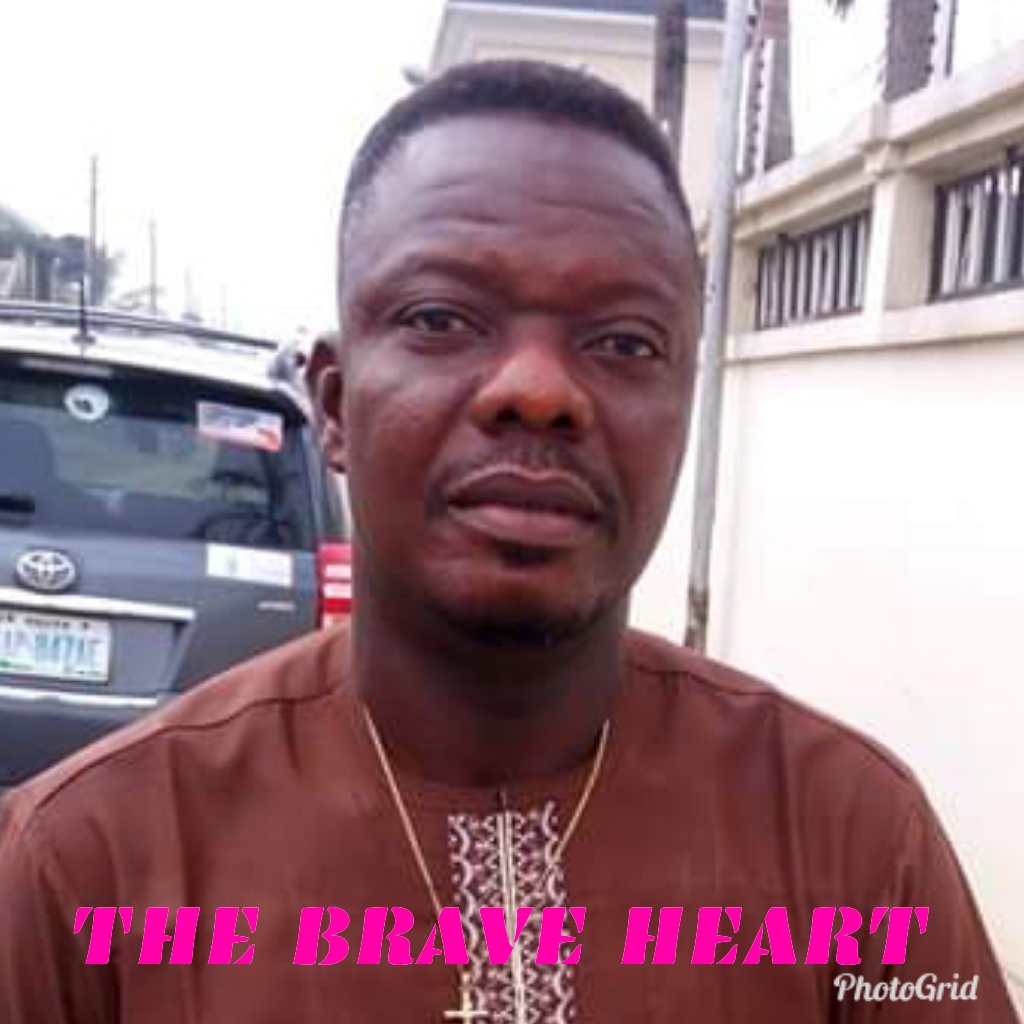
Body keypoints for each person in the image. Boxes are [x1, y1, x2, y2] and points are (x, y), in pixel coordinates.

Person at [0, 60, 1017, 1024]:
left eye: (623, 341)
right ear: (336, 405)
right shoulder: (87, 863)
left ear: (684, 411)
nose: (537, 390)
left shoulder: (849, 838)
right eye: (442, 318)